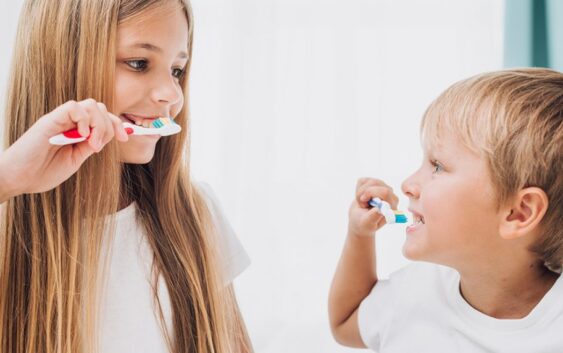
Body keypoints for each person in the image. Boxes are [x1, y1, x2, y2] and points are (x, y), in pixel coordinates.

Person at [0, 1, 252, 353]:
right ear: (63, 64)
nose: (172, 94)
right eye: (139, 64)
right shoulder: (6, 226)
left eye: (177, 69)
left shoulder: (196, 215)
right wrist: (7, 180)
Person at [329, 68, 563, 352]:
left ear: (518, 214)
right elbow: (345, 323)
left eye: (437, 166)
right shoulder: (416, 291)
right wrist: (359, 235)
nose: (407, 185)